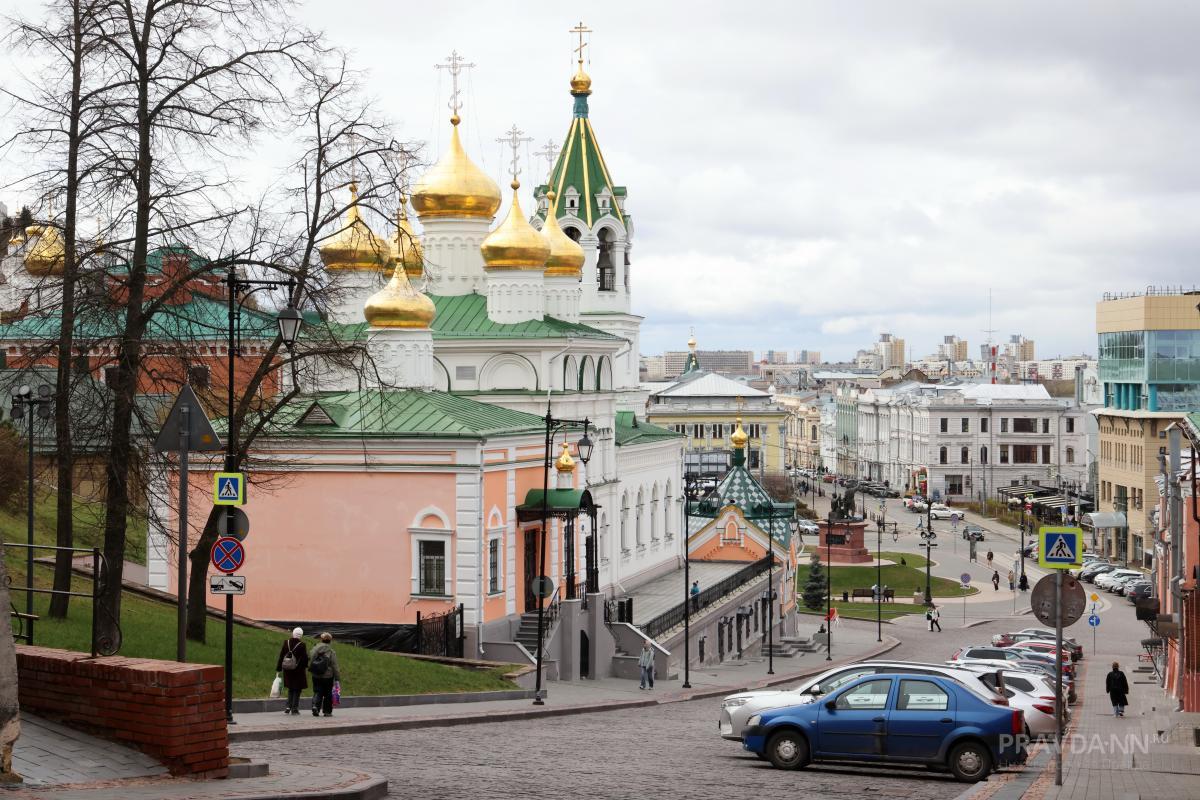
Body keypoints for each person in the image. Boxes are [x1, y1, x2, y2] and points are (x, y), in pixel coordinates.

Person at [275, 627, 308, 715]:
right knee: (297, 689)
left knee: (290, 688)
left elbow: (281, 656)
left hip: (287, 669)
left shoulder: (286, 642)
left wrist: (279, 668)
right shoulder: (302, 645)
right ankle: (294, 708)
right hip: (298, 671)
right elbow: (304, 659)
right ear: (301, 635)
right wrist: (306, 666)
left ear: (293, 633)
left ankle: (287, 707)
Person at [309, 632, 341, 717]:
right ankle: (327, 711)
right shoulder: (331, 651)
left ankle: (315, 706)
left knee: (317, 691)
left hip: (316, 674)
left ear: (321, 639)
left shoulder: (315, 649)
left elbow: (311, 659)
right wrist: (337, 677)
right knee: (327, 694)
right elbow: (334, 665)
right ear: (330, 641)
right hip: (328, 676)